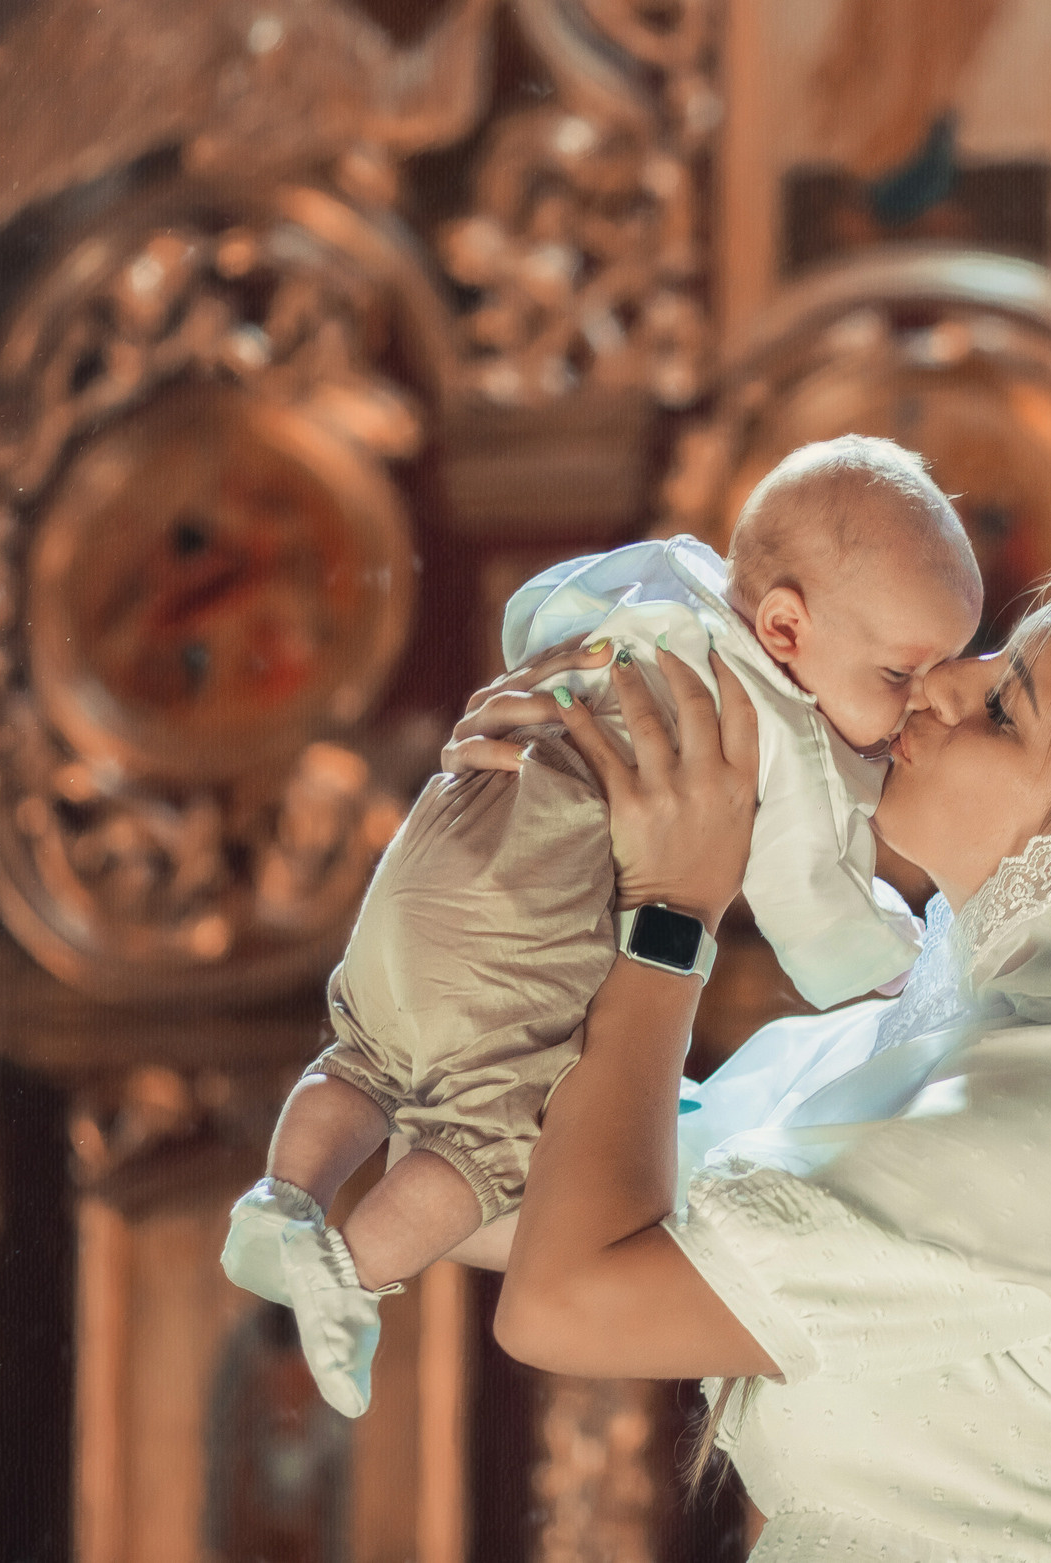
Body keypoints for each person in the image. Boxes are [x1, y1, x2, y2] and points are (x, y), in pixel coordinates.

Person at [448, 560, 1051, 1559]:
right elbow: (499, 1186)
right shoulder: (959, 1067)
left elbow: (565, 1303)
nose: (942, 681)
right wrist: (517, 820)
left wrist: (673, 913)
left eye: (1007, 709)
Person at [221, 436, 984, 1416]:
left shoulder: (672, 582)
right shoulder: (768, 729)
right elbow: (814, 911)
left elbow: (540, 607)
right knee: (486, 1144)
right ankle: (348, 1274)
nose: (922, 700)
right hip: (525, 914)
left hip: (452, 829)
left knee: (364, 1057)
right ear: (786, 631)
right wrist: (899, 965)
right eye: (899, 674)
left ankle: (282, 1199)